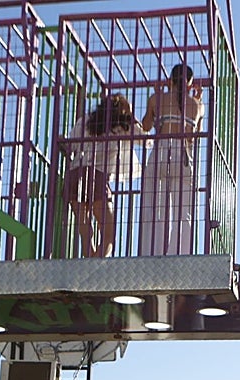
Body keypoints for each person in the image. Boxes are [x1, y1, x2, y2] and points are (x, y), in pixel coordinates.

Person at [63, 94, 142, 258]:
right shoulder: (122, 127)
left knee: (84, 228)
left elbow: (71, 145)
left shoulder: (85, 121)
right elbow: (146, 140)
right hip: (97, 176)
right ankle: (97, 266)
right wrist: (132, 118)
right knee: (108, 230)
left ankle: (90, 260)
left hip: (75, 173)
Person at [138, 63, 203, 256]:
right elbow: (194, 137)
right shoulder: (198, 106)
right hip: (183, 155)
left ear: (170, 80)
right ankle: (180, 254)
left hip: (160, 152)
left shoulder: (156, 99)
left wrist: (157, 97)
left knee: (154, 207)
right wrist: (196, 100)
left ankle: (151, 252)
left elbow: (145, 126)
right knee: (184, 212)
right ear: (190, 84)